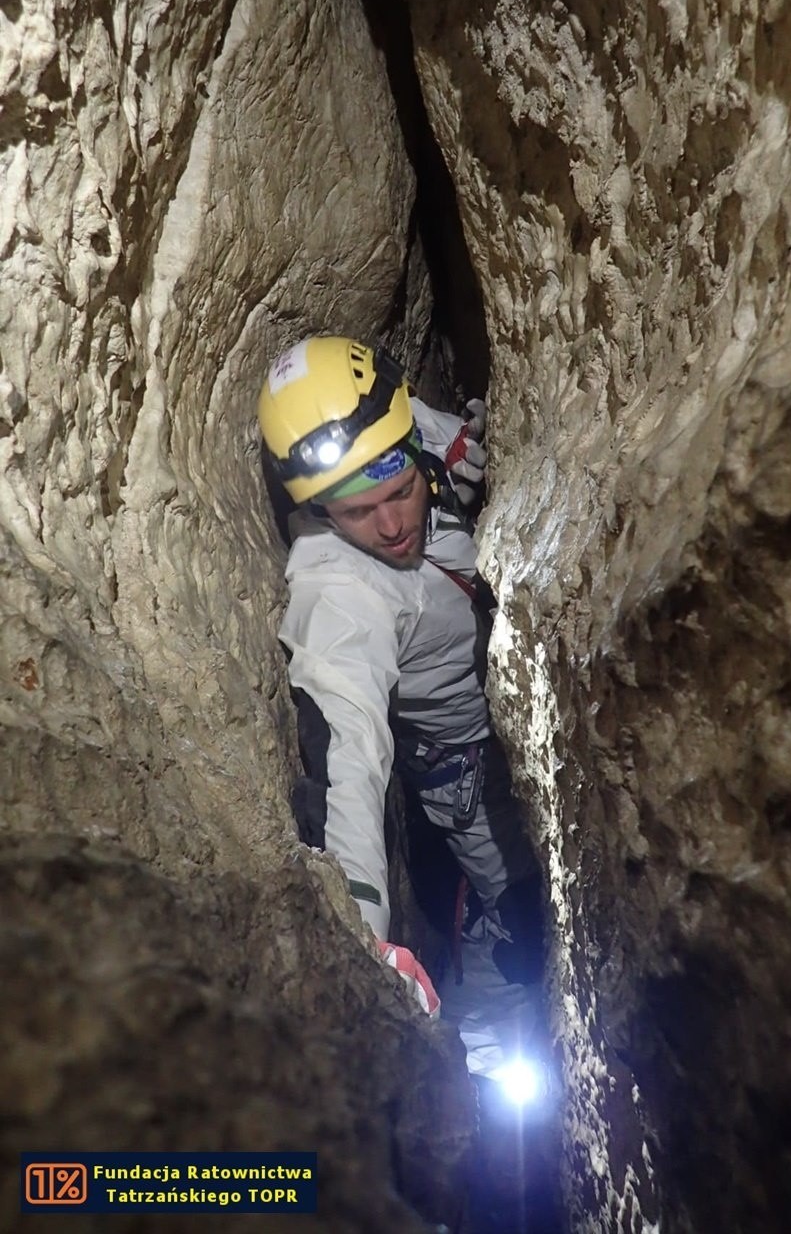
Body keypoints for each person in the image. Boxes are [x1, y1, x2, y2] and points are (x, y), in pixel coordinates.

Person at [257, 334, 545, 1077]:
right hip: (460, 771)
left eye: (398, 492)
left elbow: (426, 436)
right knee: (518, 906)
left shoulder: (396, 427)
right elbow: (349, 757)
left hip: (518, 707)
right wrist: (365, 936)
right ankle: (498, 1033)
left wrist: (470, 450)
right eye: (354, 513)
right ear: (319, 508)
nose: (388, 527)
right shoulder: (339, 596)